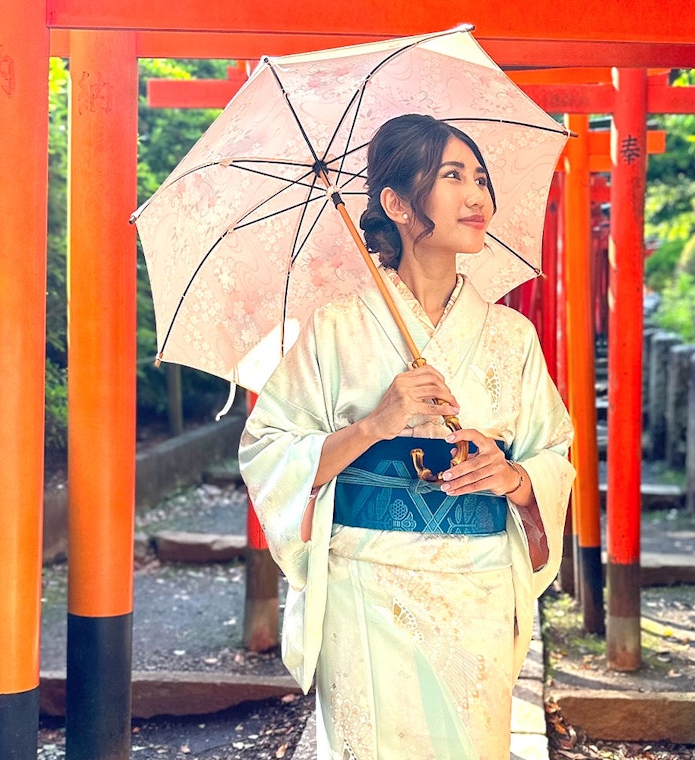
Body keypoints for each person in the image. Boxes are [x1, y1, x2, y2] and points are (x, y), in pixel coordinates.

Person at [239, 113, 575, 758]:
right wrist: (376, 424)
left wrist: (512, 476)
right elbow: (269, 450)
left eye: (481, 178)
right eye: (453, 177)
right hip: (367, 585)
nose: (478, 197)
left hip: (475, 585)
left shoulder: (511, 336)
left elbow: (552, 452)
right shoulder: (335, 326)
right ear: (394, 203)